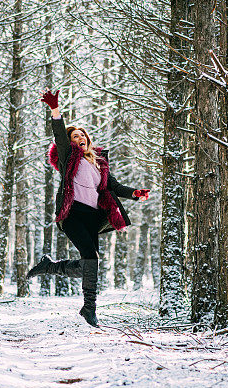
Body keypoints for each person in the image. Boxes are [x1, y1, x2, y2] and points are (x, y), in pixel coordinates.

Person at [28, 89, 150, 327]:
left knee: (90, 264)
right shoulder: (68, 158)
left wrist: (135, 193)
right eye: (74, 136)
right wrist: (55, 109)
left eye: (81, 135)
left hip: (93, 216)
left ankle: (52, 268)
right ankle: (89, 308)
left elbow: (113, 186)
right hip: (72, 213)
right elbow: (59, 137)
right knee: (90, 258)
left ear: (87, 139)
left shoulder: (99, 162)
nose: (78, 138)